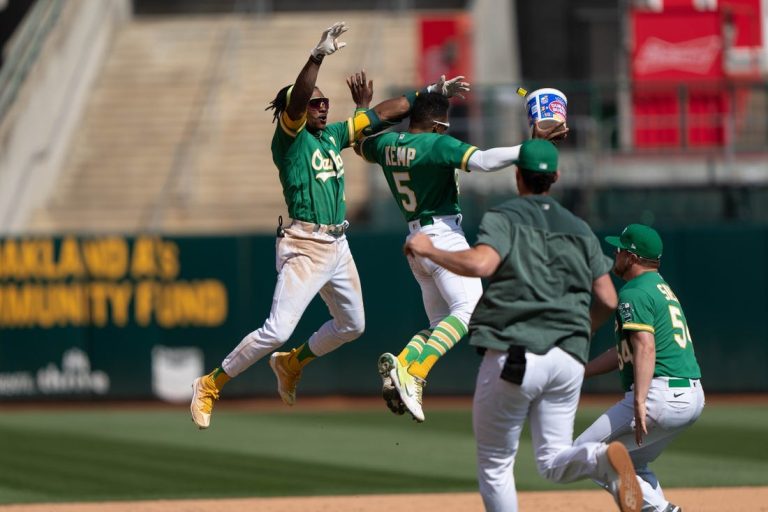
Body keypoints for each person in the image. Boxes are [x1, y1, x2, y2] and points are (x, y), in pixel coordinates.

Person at [189, 22, 461, 429]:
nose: (321, 106)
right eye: (315, 104)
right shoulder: (290, 140)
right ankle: (211, 383)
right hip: (304, 244)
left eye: (325, 101)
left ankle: (292, 364)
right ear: (293, 113)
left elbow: (383, 115)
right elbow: (298, 101)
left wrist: (428, 95)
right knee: (276, 329)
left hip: (338, 243)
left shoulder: (332, 136)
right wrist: (316, 57)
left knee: (353, 325)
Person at [405, 139, 642, 512]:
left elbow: (482, 264)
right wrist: (583, 332)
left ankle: (600, 459)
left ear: (518, 176)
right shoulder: (580, 228)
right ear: (556, 178)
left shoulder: (506, 216)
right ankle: (599, 458)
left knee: (496, 465)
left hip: (515, 353)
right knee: (553, 460)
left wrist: (430, 249)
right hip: (567, 360)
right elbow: (609, 299)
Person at [356, 91, 568, 423]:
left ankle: (404, 362)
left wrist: (362, 109)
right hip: (442, 236)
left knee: (441, 324)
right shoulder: (437, 144)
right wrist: (527, 148)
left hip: (415, 238)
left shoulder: (387, 144)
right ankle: (416, 374)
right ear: (439, 124)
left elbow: (360, 143)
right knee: (468, 313)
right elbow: (483, 161)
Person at [575, 224, 705, 512]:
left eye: (620, 249)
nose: (615, 253)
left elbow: (645, 346)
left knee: (584, 453)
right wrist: (582, 371)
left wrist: (640, 400)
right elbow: (630, 350)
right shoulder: (660, 288)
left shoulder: (634, 292)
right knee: (631, 463)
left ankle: (662, 511)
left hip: (661, 394)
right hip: (691, 394)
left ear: (631, 258)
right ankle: (660, 509)